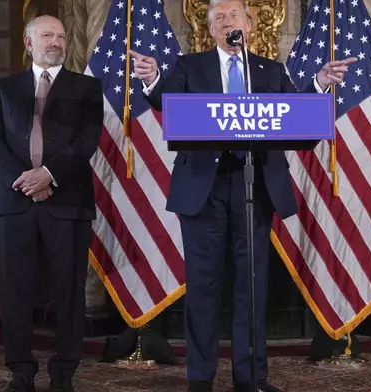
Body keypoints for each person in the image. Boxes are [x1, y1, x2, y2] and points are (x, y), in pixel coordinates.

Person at [130, 1, 356, 391]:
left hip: (255, 189)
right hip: (204, 190)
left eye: (233, 15)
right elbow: (171, 105)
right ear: (210, 30)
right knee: (202, 290)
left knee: (251, 289)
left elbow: (298, 122)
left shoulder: (270, 71)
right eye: (218, 18)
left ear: (249, 25)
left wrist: (318, 84)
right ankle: (200, 379)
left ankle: (251, 379)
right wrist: (151, 80)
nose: (226, 21)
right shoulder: (189, 66)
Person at [0, 14, 103, 392]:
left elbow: (86, 141)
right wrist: (26, 181)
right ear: (29, 43)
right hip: (15, 202)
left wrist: (48, 175)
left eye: (62, 36)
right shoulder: (3, 88)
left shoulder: (86, 88)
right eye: (47, 35)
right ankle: (21, 371)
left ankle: (63, 372)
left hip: (66, 201)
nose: (56, 42)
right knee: (16, 288)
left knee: (68, 291)